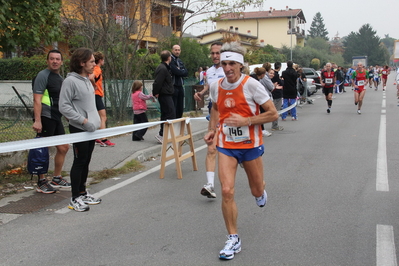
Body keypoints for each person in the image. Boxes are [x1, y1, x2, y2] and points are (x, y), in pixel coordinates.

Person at [204, 41, 278, 260]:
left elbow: (272, 113)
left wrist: (247, 120)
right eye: (224, 63)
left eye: (232, 64)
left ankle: (260, 191)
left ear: (240, 65)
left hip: (250, 146)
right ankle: (233, 238)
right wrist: (212, 130)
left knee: (255, 190)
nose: (227, 68)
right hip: (227, 145)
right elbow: (216, 107)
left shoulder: (252, 85)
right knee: (226, 190)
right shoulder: (217, 85)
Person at [59, 48, 102, 212]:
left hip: (91, 130)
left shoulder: (86, 80)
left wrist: (95, 122)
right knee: (79, 162)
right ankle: (75, 197)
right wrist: (83, 121)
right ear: (81, 63)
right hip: (80, 129)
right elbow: (64, 106)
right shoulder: (70, 82)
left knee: (86, 160)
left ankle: (83, 192)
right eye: (91, 61)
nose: (94, 64)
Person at [32, 49, 70, 193]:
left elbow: (60, 100)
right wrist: (37, 120)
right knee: (43, 149)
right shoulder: (43, 76)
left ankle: (57, 178)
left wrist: (66, 114)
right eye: (52, 59)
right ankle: (41, 181)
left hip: (56, 117)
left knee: (63, 147)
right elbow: (37, 99)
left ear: (61, 61)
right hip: (45, 117)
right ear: (47, 60)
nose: (55, 61)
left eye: (57, 59)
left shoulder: (59, 77)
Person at [194, 42, 225, 198]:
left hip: (231, 113)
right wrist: (201, 93)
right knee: (212, 148)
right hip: (215, 110)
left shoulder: (230, 70)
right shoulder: (209, 71)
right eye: (212, 53)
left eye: (217, 53)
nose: (214, 56)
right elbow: (208, 86)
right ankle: (210, 185)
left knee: (234, 153)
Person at [89, 52, 115, 147]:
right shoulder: (97, 69)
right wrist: (95, 85)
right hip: (96, 95)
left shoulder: (92, 68)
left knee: (95, 117)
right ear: (100, 60)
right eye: (103, 60)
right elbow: (91, 77)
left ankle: (96, 136)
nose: (103, 61)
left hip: (93, 95)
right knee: (103, 117)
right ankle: (103, 138)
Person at [153, 50, 175, 143]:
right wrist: (155, 92)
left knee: (167, 113)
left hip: (166, 93)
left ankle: (165, 134)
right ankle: (161, 134)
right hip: (164, 94)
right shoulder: (163, 68)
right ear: (169, 57)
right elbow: (158, 82)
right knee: (169, 113)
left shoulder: (164, 67)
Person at [170, 44, 188, 118]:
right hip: (174, 86)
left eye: (178, 50)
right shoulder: (171, 60)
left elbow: (186, 72)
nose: (177, 52)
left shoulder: (179, 61)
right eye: (176, 50)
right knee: (174, 106)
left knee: (180, 107)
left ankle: (179, 123)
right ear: (172, 50)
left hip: (180, 86)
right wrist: (180, 71)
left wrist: (180, 71)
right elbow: (175, 71)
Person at [258, 62, 274, 137]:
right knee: (262, 113)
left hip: (261, 96)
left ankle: (261, 129)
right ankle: (262, 130)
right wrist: (274, 86)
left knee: (260, 113)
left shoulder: (263, 77)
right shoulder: (265, 77)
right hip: (263, 96)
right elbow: (271, 87)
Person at [270, 62, 284, 131]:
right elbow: (280, 83)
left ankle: (274, 124)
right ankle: (274, 125)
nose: (272, 74)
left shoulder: (268, 76)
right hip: (277, 94)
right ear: (280, 67)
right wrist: (281, 80)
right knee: (276, 110)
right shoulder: (276, 75)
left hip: (272, 94)